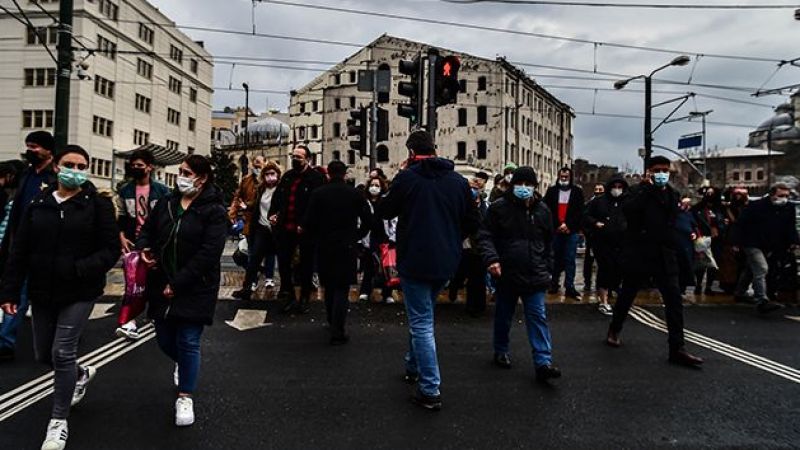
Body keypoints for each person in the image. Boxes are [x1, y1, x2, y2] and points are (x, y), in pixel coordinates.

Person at [0, 145, 119, 450]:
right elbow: (19, 250)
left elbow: (110, 250)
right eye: (70, 164)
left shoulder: (98, 205)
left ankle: (58, 421)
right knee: (45, 355)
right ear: (57, 167)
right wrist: (10, 290)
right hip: (42, 290)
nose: (75, 170)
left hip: (79, 290)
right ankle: (80, 375)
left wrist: (79, 268)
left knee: (62, 352)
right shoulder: (39, 203)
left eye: (82, 166)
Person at [379, 130, 479, 411]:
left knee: (421, 322)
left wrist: (397, 178)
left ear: (411, 153)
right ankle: (413, 365)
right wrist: (451, 239)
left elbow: (386, 210)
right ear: (434, 150)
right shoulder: (458, 182)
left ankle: (430, 388)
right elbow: (473, 221)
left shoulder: (408, 179)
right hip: (446, 261)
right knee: (422, 313)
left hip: (414, 259)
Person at [136, 155, 228, 427]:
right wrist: (144, 248)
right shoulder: (167, 203)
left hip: (195, 286)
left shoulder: (214, 210)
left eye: (187, 172)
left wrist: (178, 284)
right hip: (160, 281)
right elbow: (148, 231)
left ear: (202, 178)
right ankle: (187, 366)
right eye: (181, 172)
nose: (182, 177)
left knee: (188, 340)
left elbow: (210, 252)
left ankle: (185, 395)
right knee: (165, 339)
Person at [605, 156, 703, 367]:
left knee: (674, 300)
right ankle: (615, 328)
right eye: (657, 170)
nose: (661, 174)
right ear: (649, 171)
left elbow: (673, 220)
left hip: (664, 253)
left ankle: (677, 348)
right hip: (640, 252)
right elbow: (629, 211)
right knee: (627, 294)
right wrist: (647, 189)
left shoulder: (671, 193)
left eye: (665, 170)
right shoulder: (637, 191)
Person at [477, 166, 561, 383]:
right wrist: (492, 259)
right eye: (520, 184)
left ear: (534, 187)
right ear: (512, 185)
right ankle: (501, 349)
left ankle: (543, 361)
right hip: (507, 272)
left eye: (528, 185)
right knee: (504, 315)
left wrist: (548, 268)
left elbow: (549, 243)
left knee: (537, 317)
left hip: (535, 273)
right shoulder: (499, 209)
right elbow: (485, 236)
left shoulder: (543, 210)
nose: (524, 189)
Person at [0, 130, 58, 362]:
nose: (30, 150)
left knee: (49, 298)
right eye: (28, 145)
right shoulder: (26, 175)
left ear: (48, 150)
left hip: (46, 249)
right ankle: (5, 343)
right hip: (22, 247)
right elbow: (16, 212)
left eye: (35, 146)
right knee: (16, 295)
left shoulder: (55, 178)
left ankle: (61, 336)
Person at [303, 161, 371, 344]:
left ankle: (331, 320)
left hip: (325, 244)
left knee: (329, 286)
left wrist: (316, 237)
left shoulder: (319, 194)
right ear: (345, 174)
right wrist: (358, 235)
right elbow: (367, 219)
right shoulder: (354, 194)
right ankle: (338, 328)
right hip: (347, 245)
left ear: (328, 174)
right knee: (342, 287)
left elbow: (308, 222)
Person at [114, 149, 170, 340]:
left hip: (155, 243)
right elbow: (121, 216)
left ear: (149, 167)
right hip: (133, 243)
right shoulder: (125, 191)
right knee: (133, 282)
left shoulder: (162, 191)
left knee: (155, 280)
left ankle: (156, 314)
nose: (136, 168)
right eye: (133, 165)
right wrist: (121, 236)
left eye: (140, 165)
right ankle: (129, 321)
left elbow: (165, 218)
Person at [268, 145, 325, 314]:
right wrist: (274, 214)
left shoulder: (315, 178)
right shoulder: (287, 177)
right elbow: (278, 198)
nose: (295, 160)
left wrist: (306, 223)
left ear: (307, 159)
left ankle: (304, 298)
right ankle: (290, 296)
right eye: (293, 156)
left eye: (299, 157)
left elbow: (316, 205)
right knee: (284, 263)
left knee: (306, 264)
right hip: (285, 226)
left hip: (305, 229)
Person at [731, 183, 799, 314]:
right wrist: (736, 241)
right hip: (752, 242)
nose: (784, 199)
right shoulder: (756, 206)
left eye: (786, 196)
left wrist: (794, 241)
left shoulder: (788, 208)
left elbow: (790, 226)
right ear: (772, 194)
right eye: (781, 195)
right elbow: (741, 224)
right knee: (761, 268)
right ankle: (761, 299)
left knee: (752, 268)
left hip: (771, 243)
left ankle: (739, 292)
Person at [232, 161, 282, 300]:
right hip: (262, 228)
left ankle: (285, 290)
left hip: (277, 230)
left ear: (278, 175)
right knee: (254, 259)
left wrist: (279, 216)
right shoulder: (261, 189)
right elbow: (255, 204)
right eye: (266, 174)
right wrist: (245, 206)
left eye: (272, 174)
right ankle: (246, 288)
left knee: (283, 260)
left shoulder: (282, 189)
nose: (269, 177)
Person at [583, 176, 628, 316]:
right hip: (603, 242)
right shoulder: (599, 202)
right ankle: (603, 300)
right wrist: (595, 223)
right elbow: (586, 216)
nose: (617, 190)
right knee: (604, 270)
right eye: (615, 187)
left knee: (619, 269)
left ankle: (614, 292)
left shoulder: (627, 202)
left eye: (620, 187)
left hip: (621, 242)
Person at [448, 176, 489, 316]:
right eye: (471, 188)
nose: (473, 191)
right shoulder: (461, 205)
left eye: (476, 189)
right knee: (461, 272)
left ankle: (477, 305)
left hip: (478, 246)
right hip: (464, 244)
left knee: (477, 277)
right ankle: (454, 288)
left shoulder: (485, 206)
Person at [543, 167, 585, 300]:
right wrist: (558, 225)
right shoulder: (552, 191)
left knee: (570, 259)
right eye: (562, 176)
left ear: (570, 177)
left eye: (566, 176)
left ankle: (569, 287)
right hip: (556, 231)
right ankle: (554, 284)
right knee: (555, 259)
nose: (564, 179)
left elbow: (579, 212)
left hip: (571, 231)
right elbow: (547, 210)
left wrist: (568, 225)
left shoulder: (577, 192)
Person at [358, 176, 398, 304]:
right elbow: (359, 220)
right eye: (372, 185)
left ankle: (387, 293)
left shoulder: (386, 202)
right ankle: (365, 291)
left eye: (377, 185)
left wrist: (392, 237)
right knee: (368, 266)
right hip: (369, 237)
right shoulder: (364, 202)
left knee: (387, 266)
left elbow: (393, 220)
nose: (374, 188)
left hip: (383, 237)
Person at [691, 186, 725, 295]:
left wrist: (720, 227)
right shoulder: (697, 208)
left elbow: (723, 222)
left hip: (716, 239)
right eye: (708, 193)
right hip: (702, 238)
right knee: (701, 263)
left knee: (713, 264)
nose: (709, 195)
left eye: (712, 193)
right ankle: (698, 284)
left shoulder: (721, 208)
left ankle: (709, 286)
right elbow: (692, 221)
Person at [229, 155, 265, 251]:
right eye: (254, 162)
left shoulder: (269, 179)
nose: (255, 164)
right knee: (251, 250)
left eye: (258, 162)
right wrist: (232, 213)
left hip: (265, 221)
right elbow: (238, 196)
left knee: (267, 251)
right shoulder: (246, 180)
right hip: (250, 220)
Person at [582, 183, 605, 294]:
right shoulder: (589, 204)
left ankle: (600, 284)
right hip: (592, 237)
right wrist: (589, 233)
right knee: (589, 262)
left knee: (603, 263)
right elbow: (585, 220)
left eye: (600, 189)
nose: (598, 191)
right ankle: (587, 282)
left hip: (604, 238)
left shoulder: (607, 204)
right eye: (596, 189)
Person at [675, 197, 699, 296]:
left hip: (686, 244)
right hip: (676, 243)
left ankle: (682, 286)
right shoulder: (674, 214)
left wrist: (694, 233)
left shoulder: (688, 215)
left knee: (685, 266)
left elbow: (694, 226)